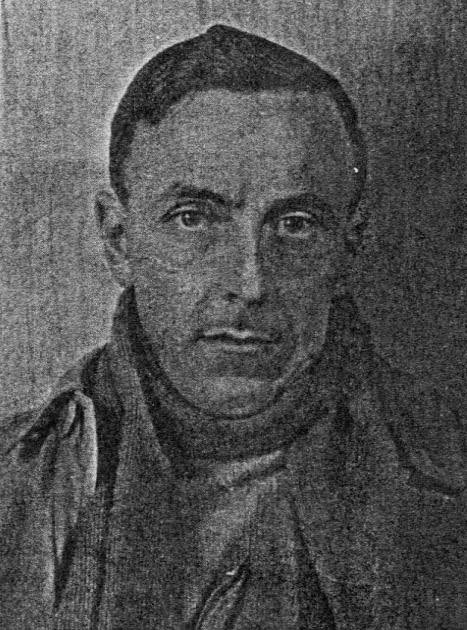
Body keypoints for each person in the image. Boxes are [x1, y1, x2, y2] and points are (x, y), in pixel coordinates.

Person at [1, 23, 466, 630]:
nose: (250, 283)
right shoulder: (16, 482)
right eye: (193, 218)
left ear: (349, 248)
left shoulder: (449, 472)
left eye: (294, 224)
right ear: (118, 240)